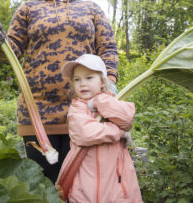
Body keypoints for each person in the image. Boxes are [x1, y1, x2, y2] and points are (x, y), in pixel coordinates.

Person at [0, 0, 119, 184]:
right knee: (42, 185)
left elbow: (107, 49)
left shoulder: (92, 8)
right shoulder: (28, 8)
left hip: (84, 112)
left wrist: (111, 83)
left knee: (80, 185)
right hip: (36, 112)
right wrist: (2, 43)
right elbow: (13, 51)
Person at [56, 54, 143, 202]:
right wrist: (120, 131)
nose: (82, 84)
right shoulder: (77, 108)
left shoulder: (112, 102)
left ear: (103, 81)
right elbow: (86, 134)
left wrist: (99, 102)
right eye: (77, 79)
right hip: (84, 187)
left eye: (89, 78)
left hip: (116, 184)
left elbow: (127, 118)